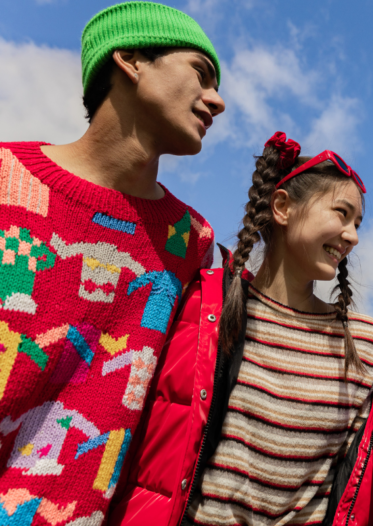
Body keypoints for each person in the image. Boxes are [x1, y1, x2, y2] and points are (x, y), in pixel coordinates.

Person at [0, 1, 224, 523]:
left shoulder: (190, 241)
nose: (217, 100)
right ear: (130, 60)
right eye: (201, 72)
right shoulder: (7, 178)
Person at [108, 132, 373, 526]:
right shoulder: (209, 309)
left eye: (358, 223)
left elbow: (349, 481)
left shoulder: (364, 342)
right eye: (341, 214)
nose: (353, 236)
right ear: (283, 207)